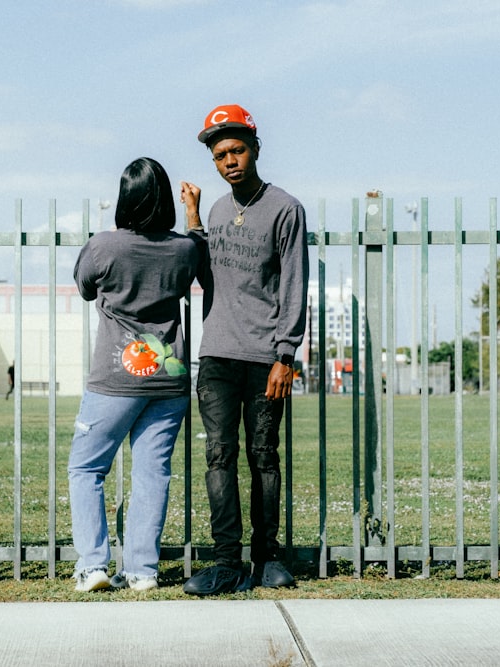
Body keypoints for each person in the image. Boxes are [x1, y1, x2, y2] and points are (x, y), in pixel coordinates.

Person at [179, 104, 309, 595]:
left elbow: (295, 283)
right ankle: (227, 563)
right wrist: (192, 217)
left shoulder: (285, 208)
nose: (228, 161)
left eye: (236, 150)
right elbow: (204, 276)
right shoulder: (214, 210)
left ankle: (267, 559)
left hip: (264, 359)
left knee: (263, 457)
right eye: (219, 155)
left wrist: (285, 355)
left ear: (255, 149)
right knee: (218, 457)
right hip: (217, 356)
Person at [68, 156, 204, 592]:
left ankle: (93, 566)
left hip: (115, 378)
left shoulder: (103, 246)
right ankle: (142, 571)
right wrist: (193, 215)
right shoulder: (183, 249)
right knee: (152, 474)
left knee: (87, 469)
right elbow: (198, 253)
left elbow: (86, 286)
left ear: (125, 199)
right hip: (170, 379)